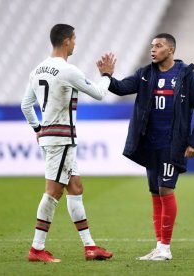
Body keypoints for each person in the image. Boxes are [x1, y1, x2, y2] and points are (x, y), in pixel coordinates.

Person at [98, 33, 194, 261]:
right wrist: (107, 76)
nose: (153, 49)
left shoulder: (186, 75)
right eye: (152, 46)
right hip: (150, 144)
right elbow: (120, 88)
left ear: (170, 50)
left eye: (158, 46)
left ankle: (166, 249)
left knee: (166, 190)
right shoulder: (145, 74)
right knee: (155, 193)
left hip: (173, 145)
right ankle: (159, 247)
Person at [21, 24, 115, 262]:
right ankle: (37, 248)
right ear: (66, 41)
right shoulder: (67, 70)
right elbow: (99, 93)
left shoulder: (37, 70)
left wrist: (38, 129)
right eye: (74, 39)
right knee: (53, 193)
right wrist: (106, 75)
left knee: (75, 188)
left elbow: (25, 105)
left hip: (52, 137)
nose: (75, 43)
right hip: (61, 139)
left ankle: (90, 247)